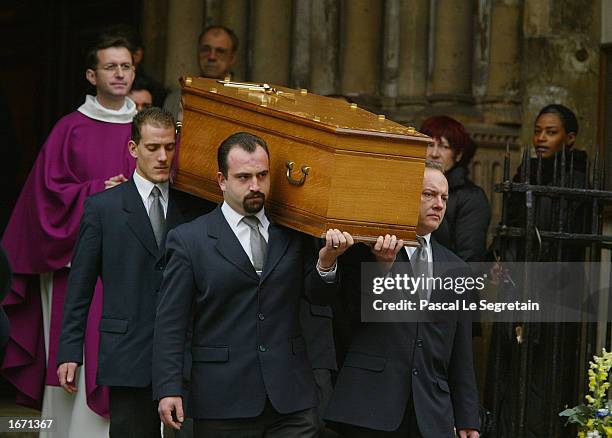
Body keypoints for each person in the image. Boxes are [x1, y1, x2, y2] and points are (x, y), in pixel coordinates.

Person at [152, 131, 353, 437]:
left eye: (262, 175)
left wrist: (326, 262)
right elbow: (171, 322)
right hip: (222, 400)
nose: (255, 186)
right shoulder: (189, 240)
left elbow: (317, 296)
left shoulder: (292, 231)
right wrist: (169, 387)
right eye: (243, 177)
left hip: (291, 399)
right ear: (222, 180)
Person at [1, 33, 137, 438]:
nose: (119, 74)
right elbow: (45, 199)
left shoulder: (148, 130)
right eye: (110, 66)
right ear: (91, 74)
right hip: (75, 262)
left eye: (126, 66)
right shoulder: (70, 129)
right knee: (75, 351)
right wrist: (98, 192)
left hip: (133, 268)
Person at [55, 107, 196, 437]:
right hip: (127, 352)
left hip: (187, 354)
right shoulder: (102, 208)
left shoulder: (193, 207)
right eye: (152, 148)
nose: (163, 156)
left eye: (169, 147)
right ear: (133, 149)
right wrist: (70, 351)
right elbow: (80, 286)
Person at [325, 162, 480, 437]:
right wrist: (382, 269)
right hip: (370, 406)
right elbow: (347, 316)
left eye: (444, 198)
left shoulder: (457, 268)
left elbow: (461, 350)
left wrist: (467, 417)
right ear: (406, 195)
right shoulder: (366, 249)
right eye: (428, 194)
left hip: (431, 412)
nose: (439, 204)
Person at [485, 104, 586, 437]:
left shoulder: (577, 179)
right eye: (538, 130)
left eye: (551, 132)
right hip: (516, 286)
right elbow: (509, 229)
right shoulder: (525, 173)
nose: (541, 138)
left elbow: (566, 242)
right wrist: (498, 258)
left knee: (546, 376)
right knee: (509, 371)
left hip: (556, 291)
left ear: (569, 138)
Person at [420, 116, 490, 263]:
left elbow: (470, 257)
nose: (434, 153)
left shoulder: (471, 197)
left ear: (458, 154)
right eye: (429, 144)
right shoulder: (410, 186)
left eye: (444, 146)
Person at [163, 25, 238, 120]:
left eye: (220, 51)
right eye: (206, 49)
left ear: (232, 58)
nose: (212, 57)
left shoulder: (246, 98)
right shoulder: (175, 99)